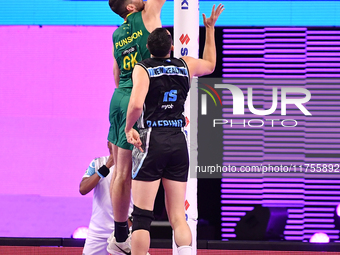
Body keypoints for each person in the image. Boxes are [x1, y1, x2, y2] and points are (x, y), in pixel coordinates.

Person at [124, 4, 224, 255]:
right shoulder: (185, 64)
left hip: (152, 141)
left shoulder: (143, 68)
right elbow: (211, 65)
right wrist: (209, 29)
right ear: (171, 48)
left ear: (148, 47)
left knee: (142, 216)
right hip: (179, 142)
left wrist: (128, 128)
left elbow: (136, 104)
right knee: (178, 215)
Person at [107, 0, 166, 253]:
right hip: (139, 101)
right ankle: (131, 238)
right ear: (131, 7)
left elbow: (116, 71)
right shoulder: (147, 15)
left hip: (120, 95)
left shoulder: (117, 33)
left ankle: (120, 236)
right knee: (136, 174)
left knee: (121, 173)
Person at [79, 141, 133, 255]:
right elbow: (83, 189)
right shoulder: (98, 162)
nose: (115, 145)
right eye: (112, 141)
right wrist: (107, 166)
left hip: (125, 229)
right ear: (108, 144)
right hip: (98, 230)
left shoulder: (134, 164)